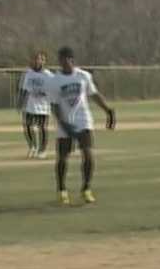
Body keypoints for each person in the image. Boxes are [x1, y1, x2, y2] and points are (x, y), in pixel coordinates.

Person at [46, 46, 117, 205]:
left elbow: (94, 95)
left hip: (83, 120)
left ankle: (86, 189)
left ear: (72, 60)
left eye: (67, 61)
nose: (64, 64)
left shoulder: (83, 76)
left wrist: (108, 111)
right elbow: (55, 106)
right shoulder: (54, 81)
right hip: (65, 121)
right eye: (61, 61)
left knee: (88, 154)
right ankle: (62, 190)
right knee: (63, 158)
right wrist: (63, 123)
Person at [18, 50, 53, 159]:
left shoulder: (48, 75)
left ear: (44, 61)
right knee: (27, 125)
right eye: (36, 59)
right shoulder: (28, 73)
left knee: (42, 128)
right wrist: (20, 102)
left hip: (43, 106)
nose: (38, 61)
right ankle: (32, 146)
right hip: (30, 105)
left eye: (41, 59)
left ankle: (42, 150)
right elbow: (24, 89)